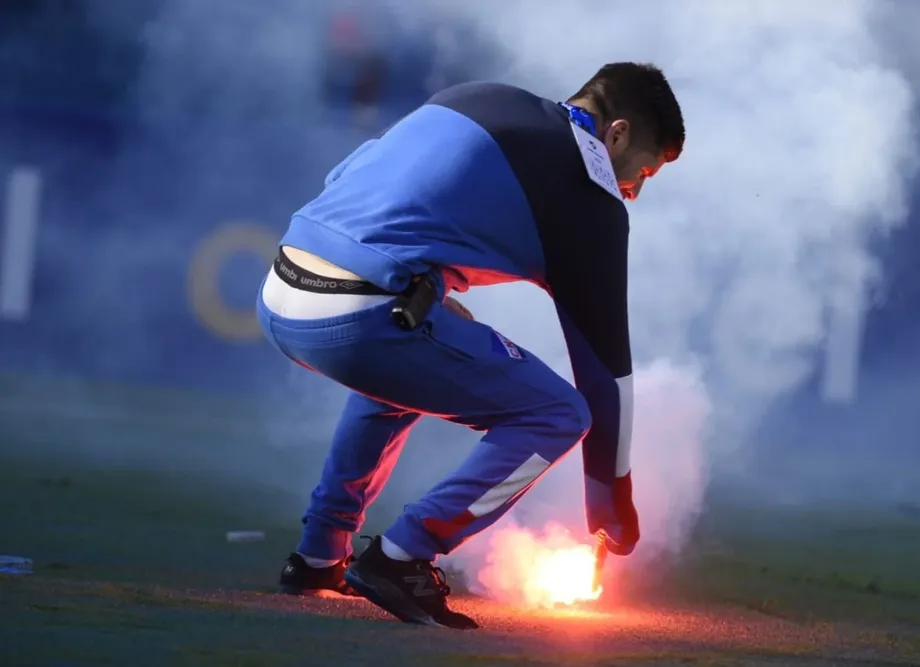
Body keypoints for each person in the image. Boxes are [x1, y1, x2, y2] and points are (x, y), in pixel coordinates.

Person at [257, 62, 686, 629]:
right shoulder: (592, 195)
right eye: (646, 172)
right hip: (357, 316)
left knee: (409, 358)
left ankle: (318, 556)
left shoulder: (479, 94)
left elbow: (352, 181)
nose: (634, 190)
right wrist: (611, 499)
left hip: (281, 288)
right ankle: (402, 555)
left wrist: (424, 282)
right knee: (560, 413)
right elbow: (605, 373)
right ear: (618, 133)